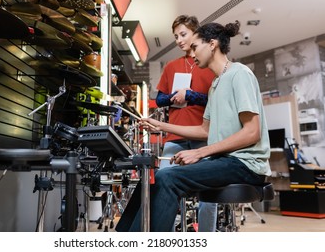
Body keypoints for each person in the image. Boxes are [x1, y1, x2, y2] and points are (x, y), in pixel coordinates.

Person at [116, 20, 271, 232]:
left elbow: (252, 132)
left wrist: (200, 152)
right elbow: (204, 130)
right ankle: (125, 237)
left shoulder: (239, 74)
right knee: (151, 180)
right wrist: (161, 125)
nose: (193, 52)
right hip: (226, 160)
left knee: (168, 177)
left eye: (196, 46)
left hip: (245, 164)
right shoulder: (216, 85)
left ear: (212, 44)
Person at [154, 15, 217, 232]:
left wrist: (190, 95)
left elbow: (215, 99)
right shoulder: (171, 66)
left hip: (204, 137)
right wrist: (175, 96)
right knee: (163, 185)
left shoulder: (209, 65)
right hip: (175, 137)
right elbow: (159, 99)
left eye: (183, 34)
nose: (179, 40)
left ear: (195, 33)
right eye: (176, 37)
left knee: (209, 194)